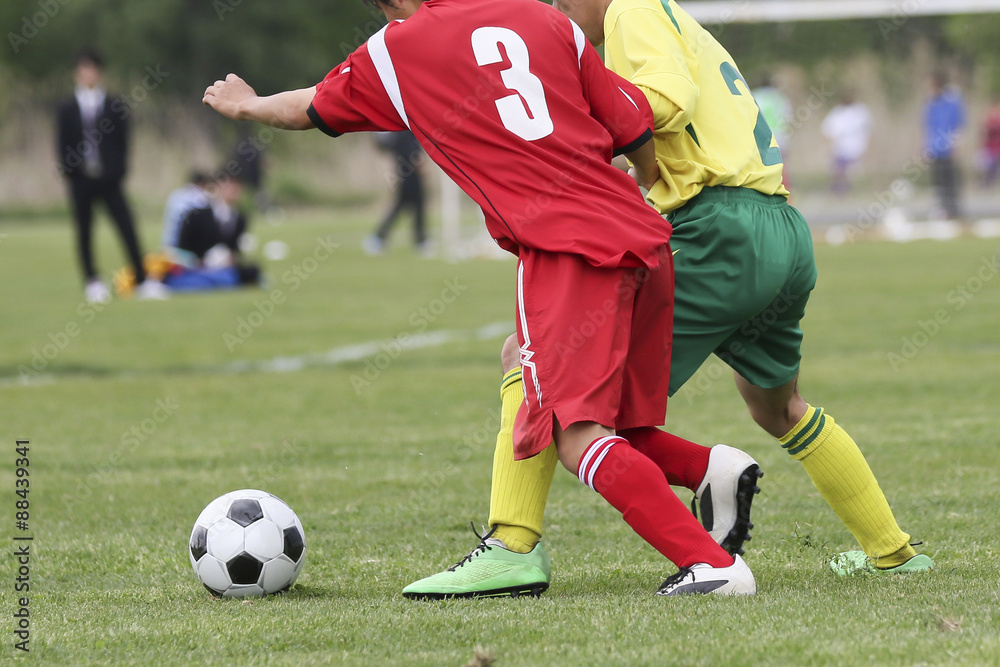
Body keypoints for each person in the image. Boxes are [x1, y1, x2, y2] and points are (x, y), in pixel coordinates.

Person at [203, 0, 758, 597]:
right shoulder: (545, 17)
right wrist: (646, 187)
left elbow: (308, 107)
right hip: (642, 237)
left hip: (566, 250)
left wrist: (248, 104)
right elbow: (632, 123)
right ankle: (710, 472)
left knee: (576, 436)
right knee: (583, 402)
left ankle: (710, 566)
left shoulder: (397, 48)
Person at [403, 0, 932, 599]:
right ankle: (892, 553)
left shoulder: (632, 9)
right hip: (779, 227)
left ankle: (512, 546)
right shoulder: (677, 19)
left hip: (712, 230)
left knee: (538, 366)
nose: (557, 10)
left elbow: (667, 98)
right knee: (778, 408)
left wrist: (575, 128)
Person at [55, 50, 168, 302]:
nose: (88, 73)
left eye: (92, 68)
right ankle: (92, 281)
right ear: (76, 73)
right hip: (80, 178)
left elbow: (123, 142)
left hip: (109, 178)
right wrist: (71, 171)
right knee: (84, 229)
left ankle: (141, 278)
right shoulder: (67, 107)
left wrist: (117, 171)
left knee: (126, 226)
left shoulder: (114, 105)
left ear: (100, 71)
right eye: (83, 68)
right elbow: (62, 143)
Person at [166, 172, 261, 290]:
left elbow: (234, 250)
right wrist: (203, 261)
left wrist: (229, 259)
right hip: (195, 268)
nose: (233, 190)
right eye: (229, 185)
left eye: (236, 186)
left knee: (248, 272)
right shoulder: (196, 215)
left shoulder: (240, 218)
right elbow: (182, 248)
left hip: (223, 269)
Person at [363, 131, 429, 256]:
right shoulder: (407, 134)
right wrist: (423, 169)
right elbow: (415, 156)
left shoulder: (399, 134)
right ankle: (420, 242)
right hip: (410, 178)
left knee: (406, 208)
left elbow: (385, 146)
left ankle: (379, 238)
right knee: (414, 208)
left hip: (402, 177)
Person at [925, 72, 966, 220]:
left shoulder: (951, 102)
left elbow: (957, 124)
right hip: (934, 149)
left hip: (948, 148)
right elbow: (927, 127)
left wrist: (956, 145)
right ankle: (941, 209)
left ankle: (954, 210)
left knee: (951, 180)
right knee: (938, 181)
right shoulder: (930, 104)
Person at [821, 92, 872, 194]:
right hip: (841, 147)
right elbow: (827, 129)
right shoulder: (838, 112)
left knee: (849, 171)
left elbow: (868, 129)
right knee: (839, 170)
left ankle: (845, 189)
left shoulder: (860, 111)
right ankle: (840, 189)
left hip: (856, 148)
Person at [979, 99, 1000, 188]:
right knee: (989, 166)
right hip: (990, 146)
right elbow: (984, 131)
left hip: (997, 146)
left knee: (995, 165)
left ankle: (992, 183)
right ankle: (987, 183)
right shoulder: (989, 118)